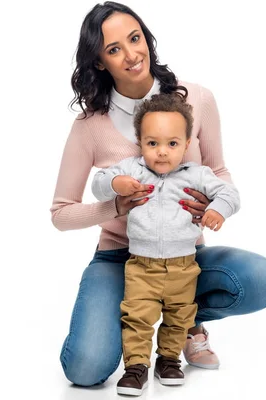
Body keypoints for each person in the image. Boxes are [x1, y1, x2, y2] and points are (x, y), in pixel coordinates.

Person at [50, 1, 266, 387]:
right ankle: (128, 318)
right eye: (113, 49)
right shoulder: (90, 125)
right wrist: (115, 206)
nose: (131, 55)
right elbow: (60, 213)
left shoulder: (197, 99)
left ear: (147, 37)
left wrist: (215, 205)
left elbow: (218, 171)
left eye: (134, 38)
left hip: (183, 256)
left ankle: (183, 322)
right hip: (120, 258)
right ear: (100, 62)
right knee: (86, 369)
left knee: (258, 278)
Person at [92, 93, 240, 395]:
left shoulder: (197, 175)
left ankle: (169, 360)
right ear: (140, 141)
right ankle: (136, 366)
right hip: (141, 267)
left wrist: (216, 210)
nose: (161, 152)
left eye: (172, 144)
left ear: (186, 144)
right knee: (137, 316)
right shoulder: (131, 169)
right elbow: (98, 184)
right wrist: (115, 184)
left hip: (184, 266)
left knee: (179, 315)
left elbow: (231, 195)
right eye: (152, 143)